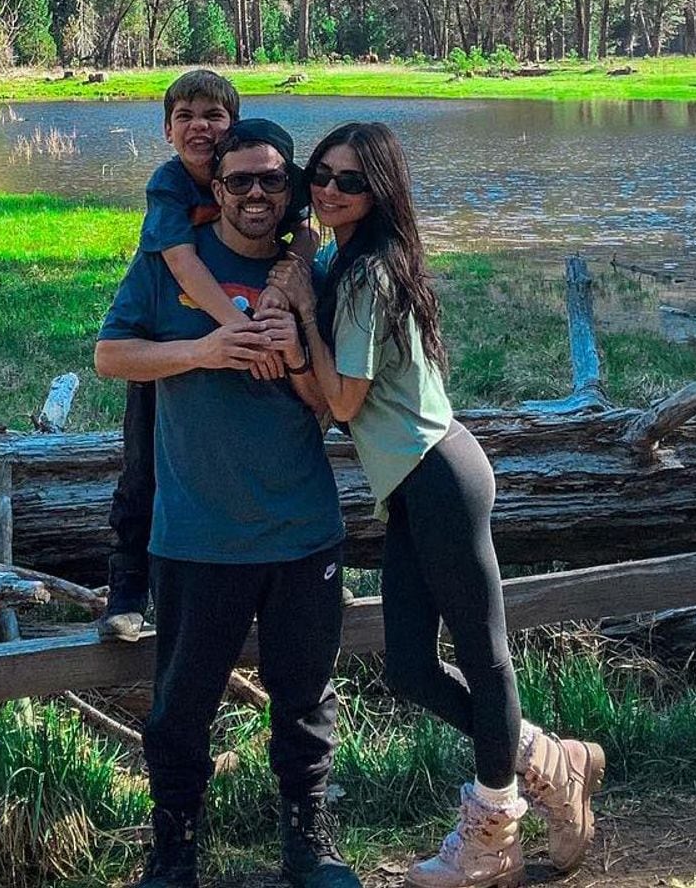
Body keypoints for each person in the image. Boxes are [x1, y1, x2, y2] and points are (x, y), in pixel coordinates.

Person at [267, 122, 605, 888]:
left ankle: (493, 834)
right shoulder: (346, 259)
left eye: (349, 181)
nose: (328, 190)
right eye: (321, 174)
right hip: (415, 484)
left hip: (440, 477)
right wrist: (299, 274)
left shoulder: (367, 275)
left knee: (485, 658)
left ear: (379, 189)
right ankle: (551, 759)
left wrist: (303, 313)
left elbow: (344, 400)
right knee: (412, 670)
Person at [95, 120, 358, 888]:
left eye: (270, 181)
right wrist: (205, 349)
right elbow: (110, 355)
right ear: (216, 189)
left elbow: (335, 405)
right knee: (180, 712)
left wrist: (298, 331)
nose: (253, 194)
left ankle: (309, 848)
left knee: (305, 706)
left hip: (302, 530)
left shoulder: (312, 274)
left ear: (290, 193)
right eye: (238, 180)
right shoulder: (166, 266)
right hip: (195, 537)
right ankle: (173, 855)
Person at [100, 70, 318, 642]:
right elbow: (181, 263)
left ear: (234, 126)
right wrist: (237, 334)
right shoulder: (171, 185)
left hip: (291, 516)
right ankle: (127, 585)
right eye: (185, 117)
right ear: (167, 130)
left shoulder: (260, 174)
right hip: (176, 357)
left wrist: (288, 274)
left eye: (214, 116)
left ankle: (298, 570)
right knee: (143, 471)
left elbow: (306, 231)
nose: (200, 126)